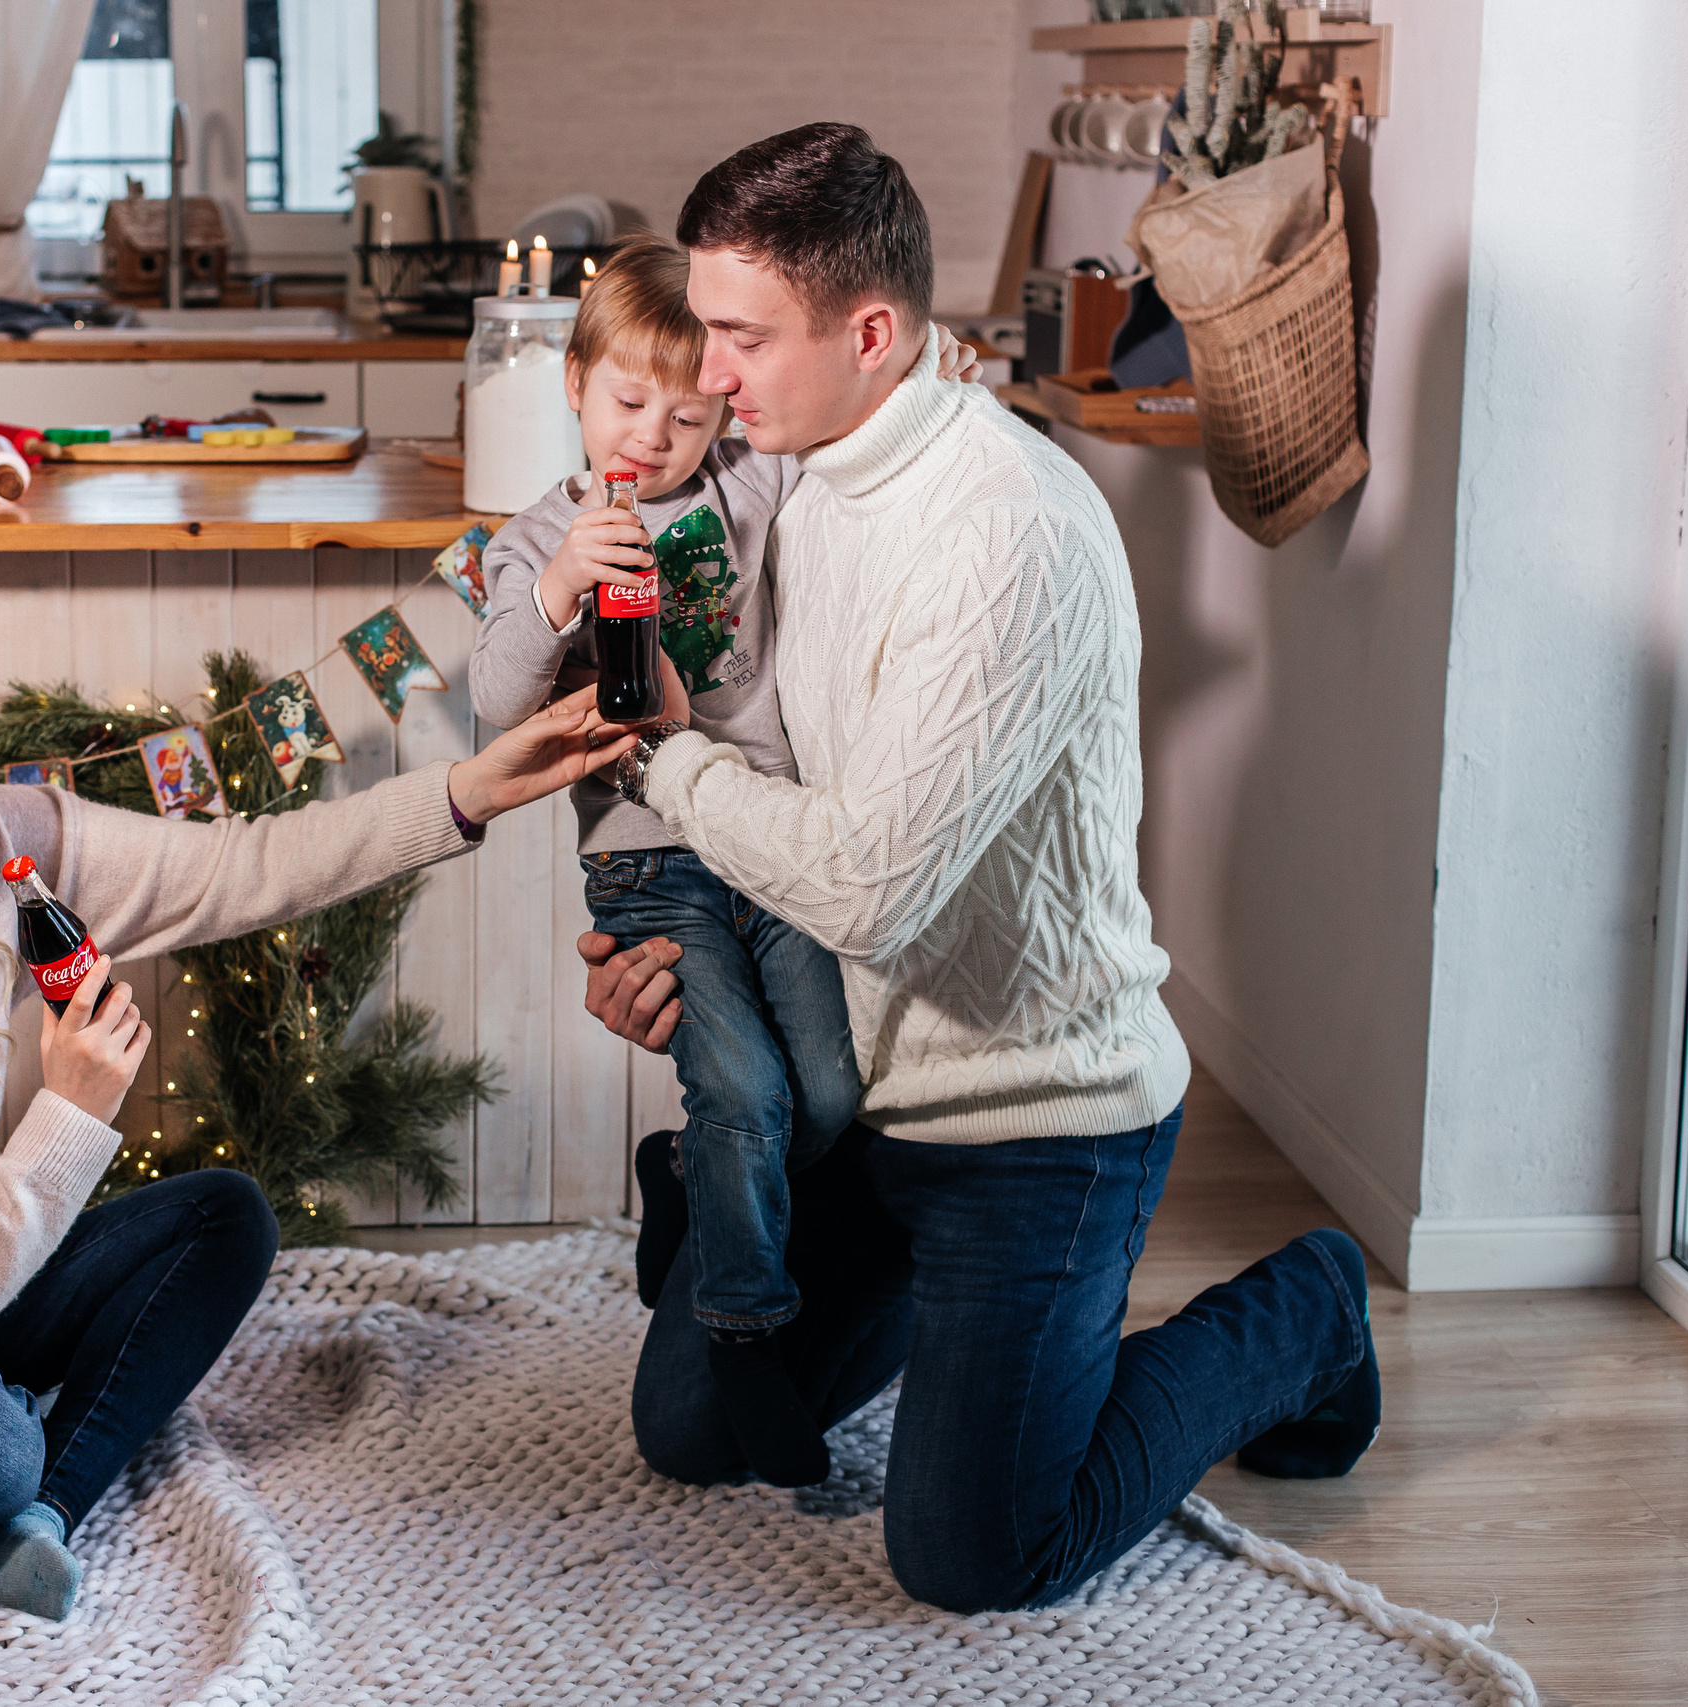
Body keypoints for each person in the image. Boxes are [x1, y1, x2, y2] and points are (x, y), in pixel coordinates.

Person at [580, 123, 1380, 1615]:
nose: (708, 378)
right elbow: (791, 805)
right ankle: (941, 1324)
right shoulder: (805, 481)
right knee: (693, 1429)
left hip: (1036, 1117)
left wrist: (660, 766)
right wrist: (683, 966)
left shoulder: (1002, 531)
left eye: (741, 338)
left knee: (977, 1552)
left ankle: (1309, 1312)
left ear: (869, 334)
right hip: (872, 1094)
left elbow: (871, 884)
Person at [0, 585, 633, 1621]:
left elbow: (242, 868)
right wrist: (73, 1113)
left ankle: (30, 1521)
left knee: (222, 1219)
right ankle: (0, 1477)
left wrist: (471, 792)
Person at [468, 239, 979, 1488]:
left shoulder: (750, 489)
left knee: (818, 1089)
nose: (650, 437)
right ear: (576, 384)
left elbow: (859, 441)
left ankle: (695, 1182)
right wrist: (553, 597)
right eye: (626, 403)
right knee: (744, 1096)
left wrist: (941, 378)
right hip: (654, 868)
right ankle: (748, 1327)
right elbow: (489, 702)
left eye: (687, 414)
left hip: (774, 846)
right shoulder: (539, 536)